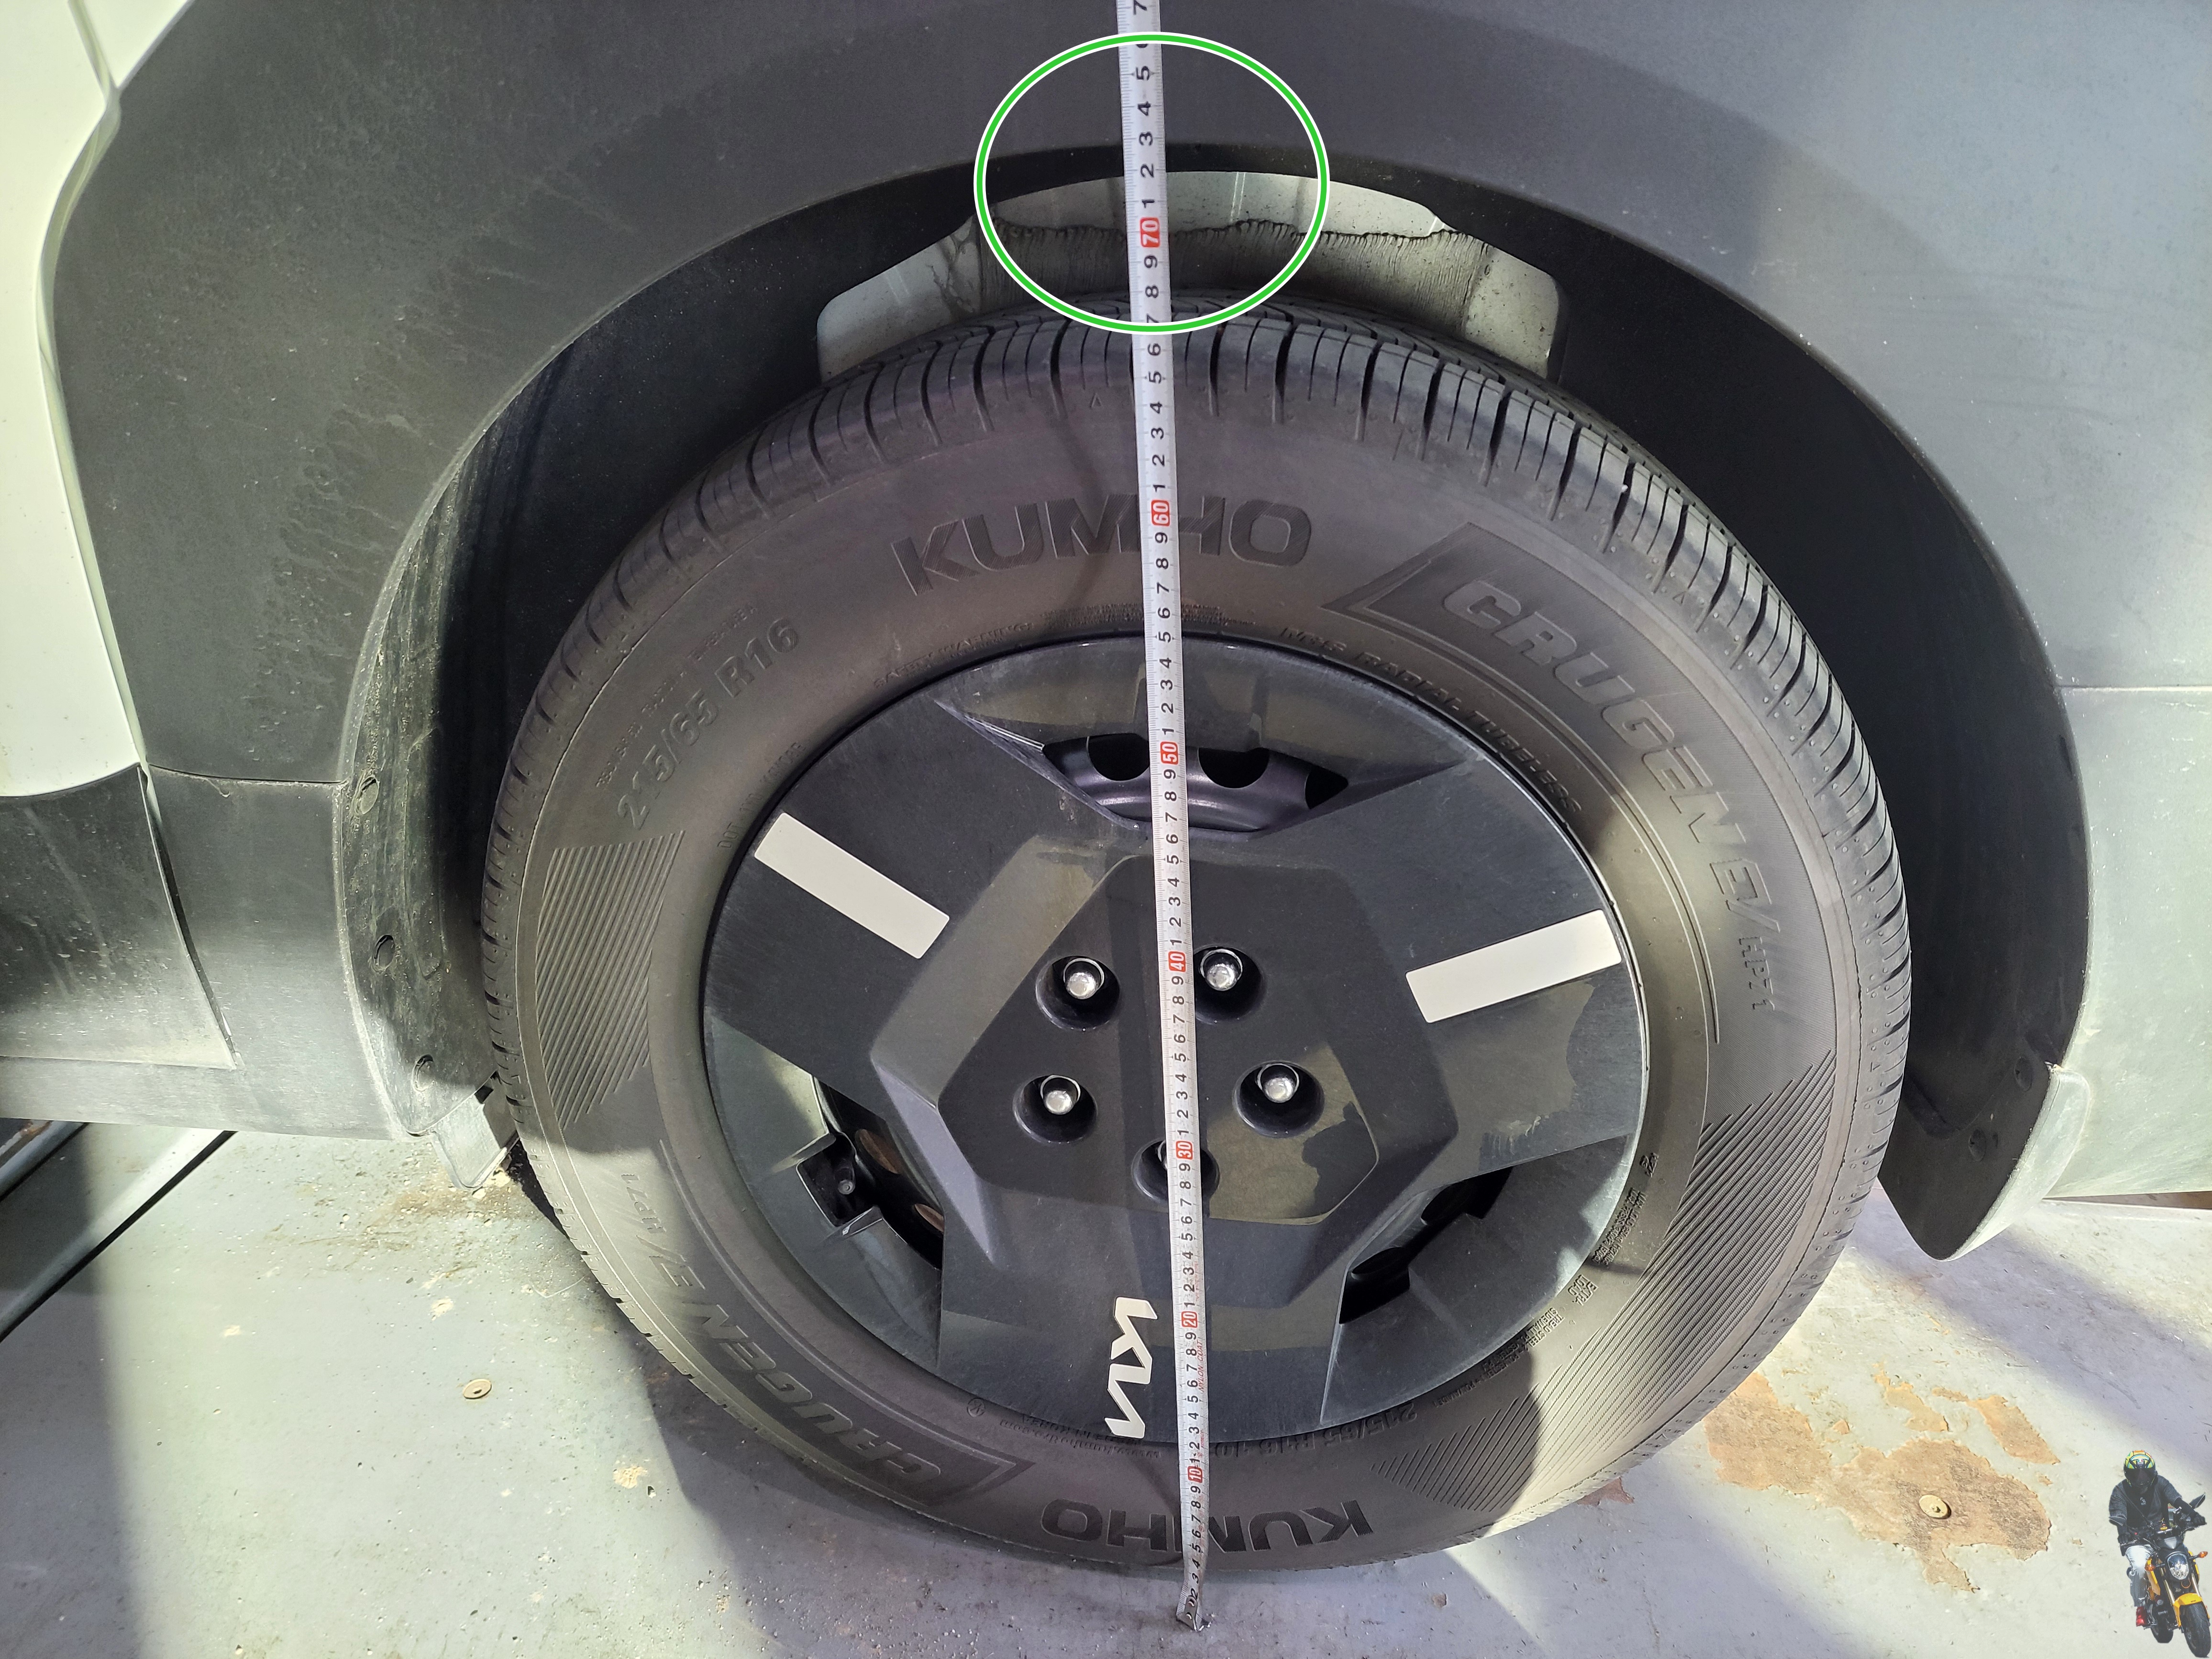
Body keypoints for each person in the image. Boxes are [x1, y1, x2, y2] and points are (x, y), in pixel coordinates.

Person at [2112, 1450, 2193, 1626]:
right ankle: (2141, 1607)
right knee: (2140, 1568)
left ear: (2153, 1472)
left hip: (2163, 1534)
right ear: (2128, 1474)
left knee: (2187, 1557)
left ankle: (2191, 1591)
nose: (2141, 1479)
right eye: (2136, 1474)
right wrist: (2123, 1532)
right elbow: (2119, 1514)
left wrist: (2192, 1515)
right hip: (2137, 1540)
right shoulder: (2120, 1492)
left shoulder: (2161, 1483)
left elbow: (2176, 1500)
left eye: (2146, 1473)